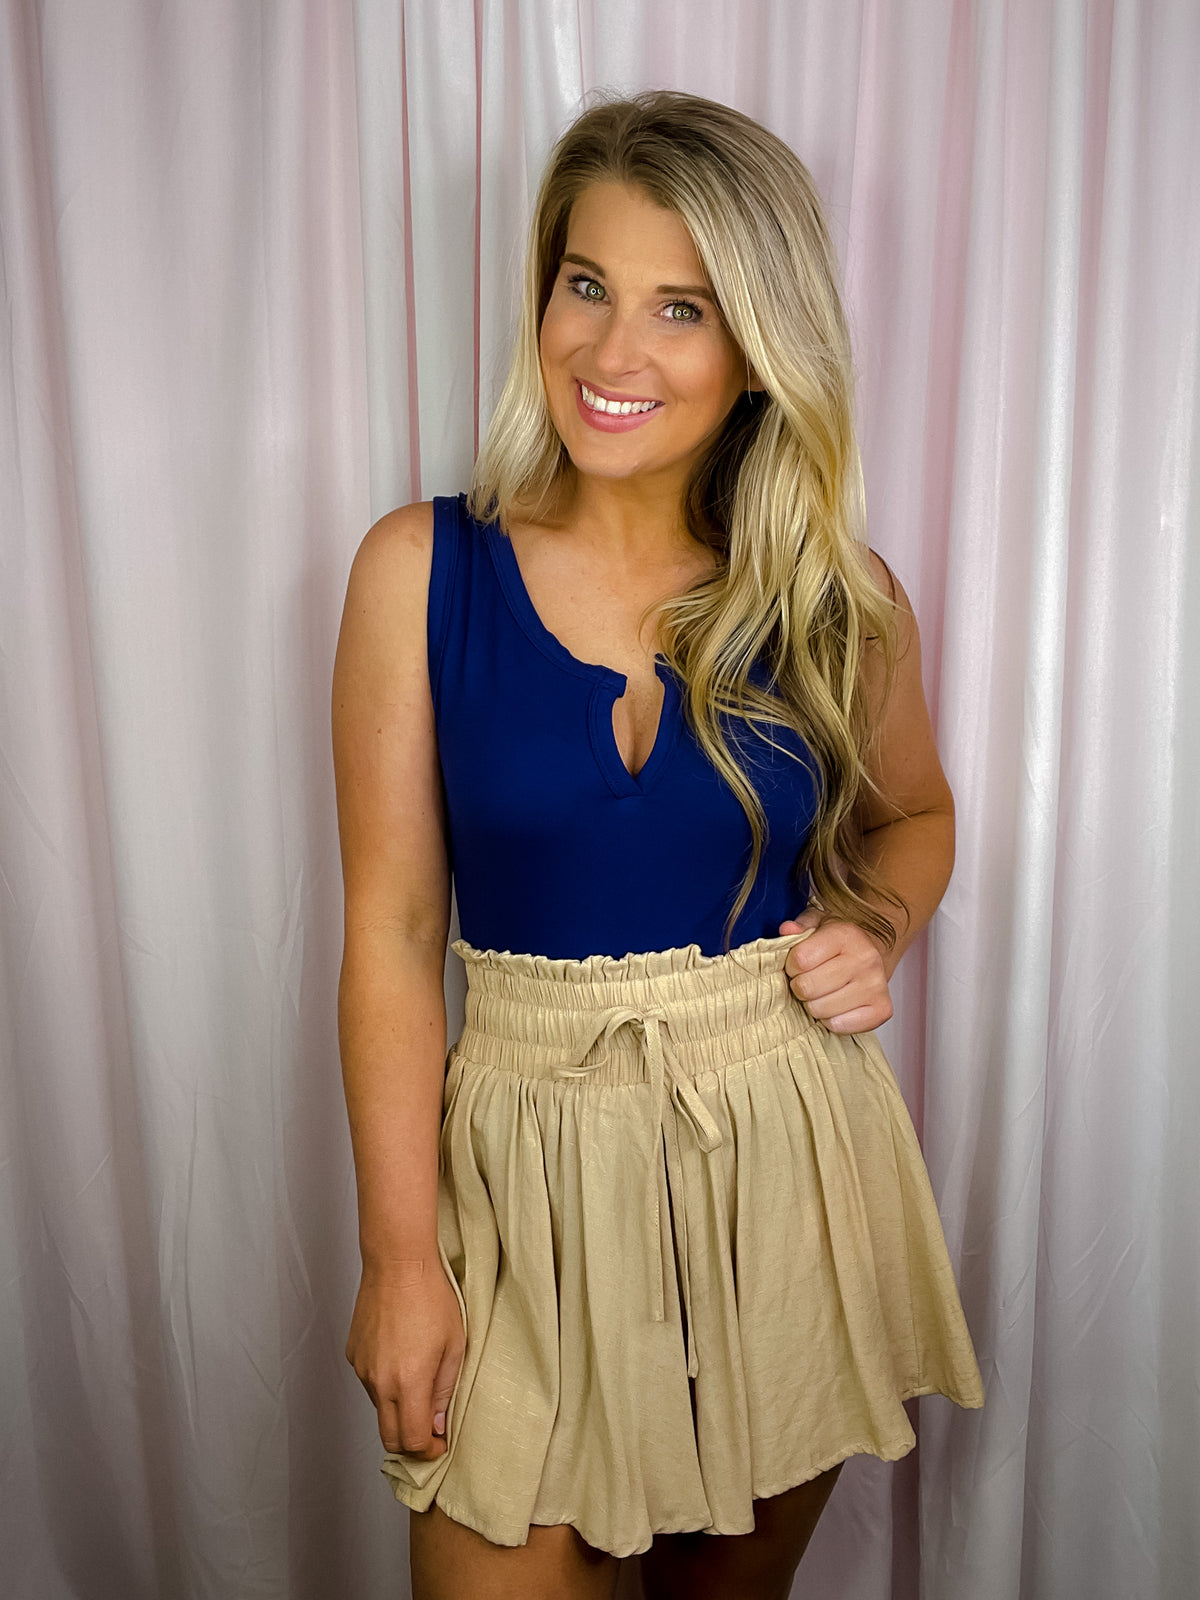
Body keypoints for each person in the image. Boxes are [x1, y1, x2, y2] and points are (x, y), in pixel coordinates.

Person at [332, 89, 984, 1600]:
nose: (611, 351)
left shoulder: (835, 597)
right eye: (587, 285)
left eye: (680, 308)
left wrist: (875, 927)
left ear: (758, 348)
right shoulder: (419, 570)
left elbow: (918, 816)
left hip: (777, 1152)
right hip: (521, 1174)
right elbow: (391, 933)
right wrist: (399, 1259)